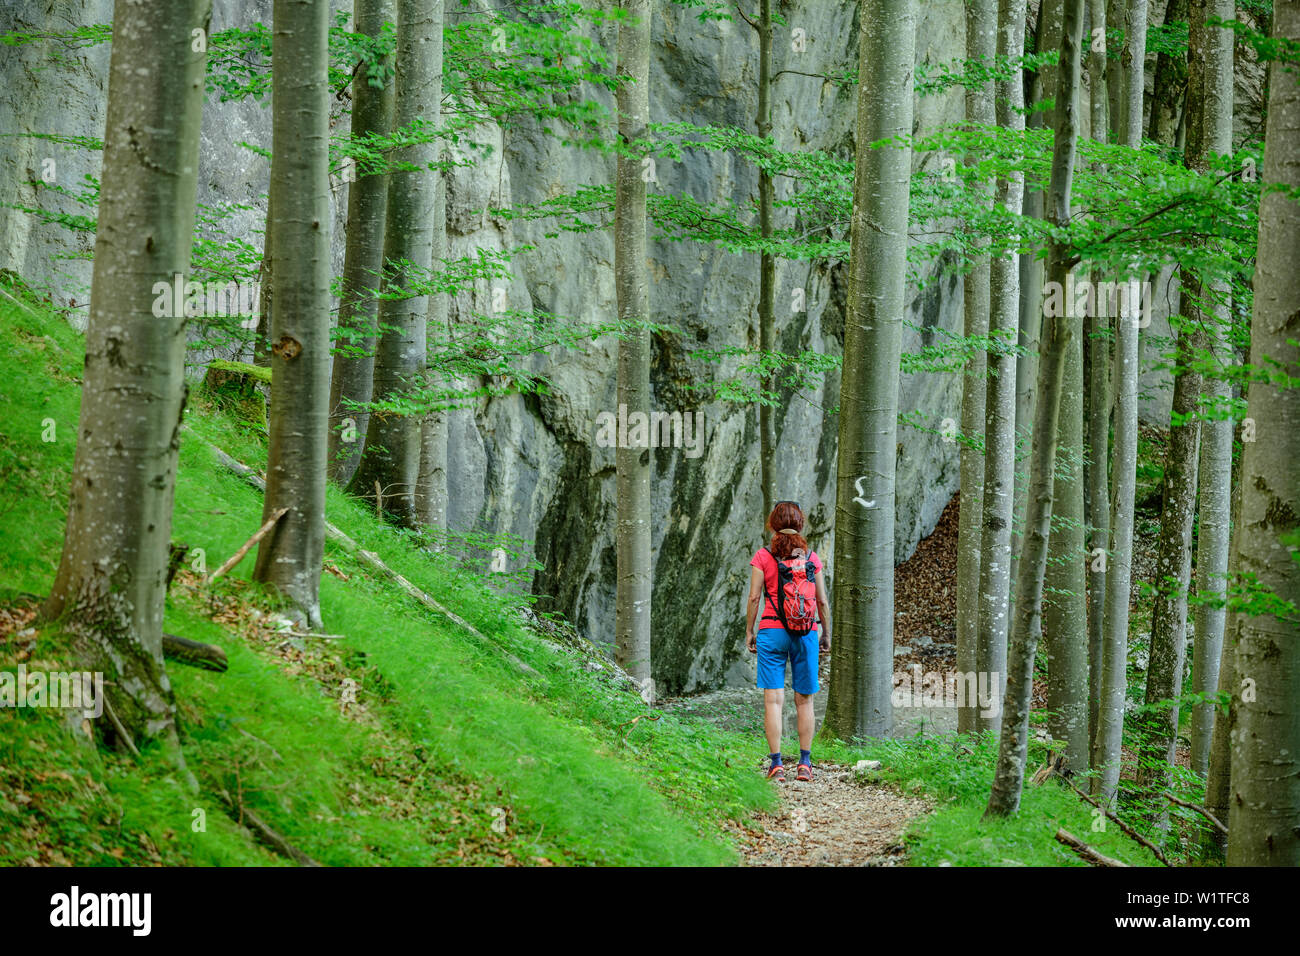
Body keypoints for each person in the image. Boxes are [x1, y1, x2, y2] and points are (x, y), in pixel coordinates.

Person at [745, 500, 831, 782]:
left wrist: (750, 630)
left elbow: (755, 597)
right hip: (806, 632)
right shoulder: (811, 558)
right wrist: (825, 633)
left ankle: (777, 765)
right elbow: (821, 600)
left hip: (771, 632)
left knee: (774, 701)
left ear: (772, 524)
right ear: (801, 524)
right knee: (805, 701)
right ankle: (805, 764)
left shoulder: (762, 556)